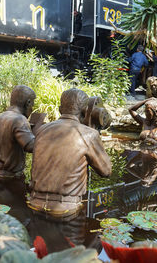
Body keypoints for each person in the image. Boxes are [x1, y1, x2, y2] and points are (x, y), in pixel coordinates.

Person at [28, 88, 112, 219]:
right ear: (85, 111)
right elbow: (106, 171)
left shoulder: (42, 130)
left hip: (34, 204)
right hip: (67, 210)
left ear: (61, 109)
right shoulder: (89, 134)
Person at [0, 85, 36, 181]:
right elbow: (32, 146)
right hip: (8, 177)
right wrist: (43, 133)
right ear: (28, 103)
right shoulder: (20, 119)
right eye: (32, 105)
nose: (32, 109)